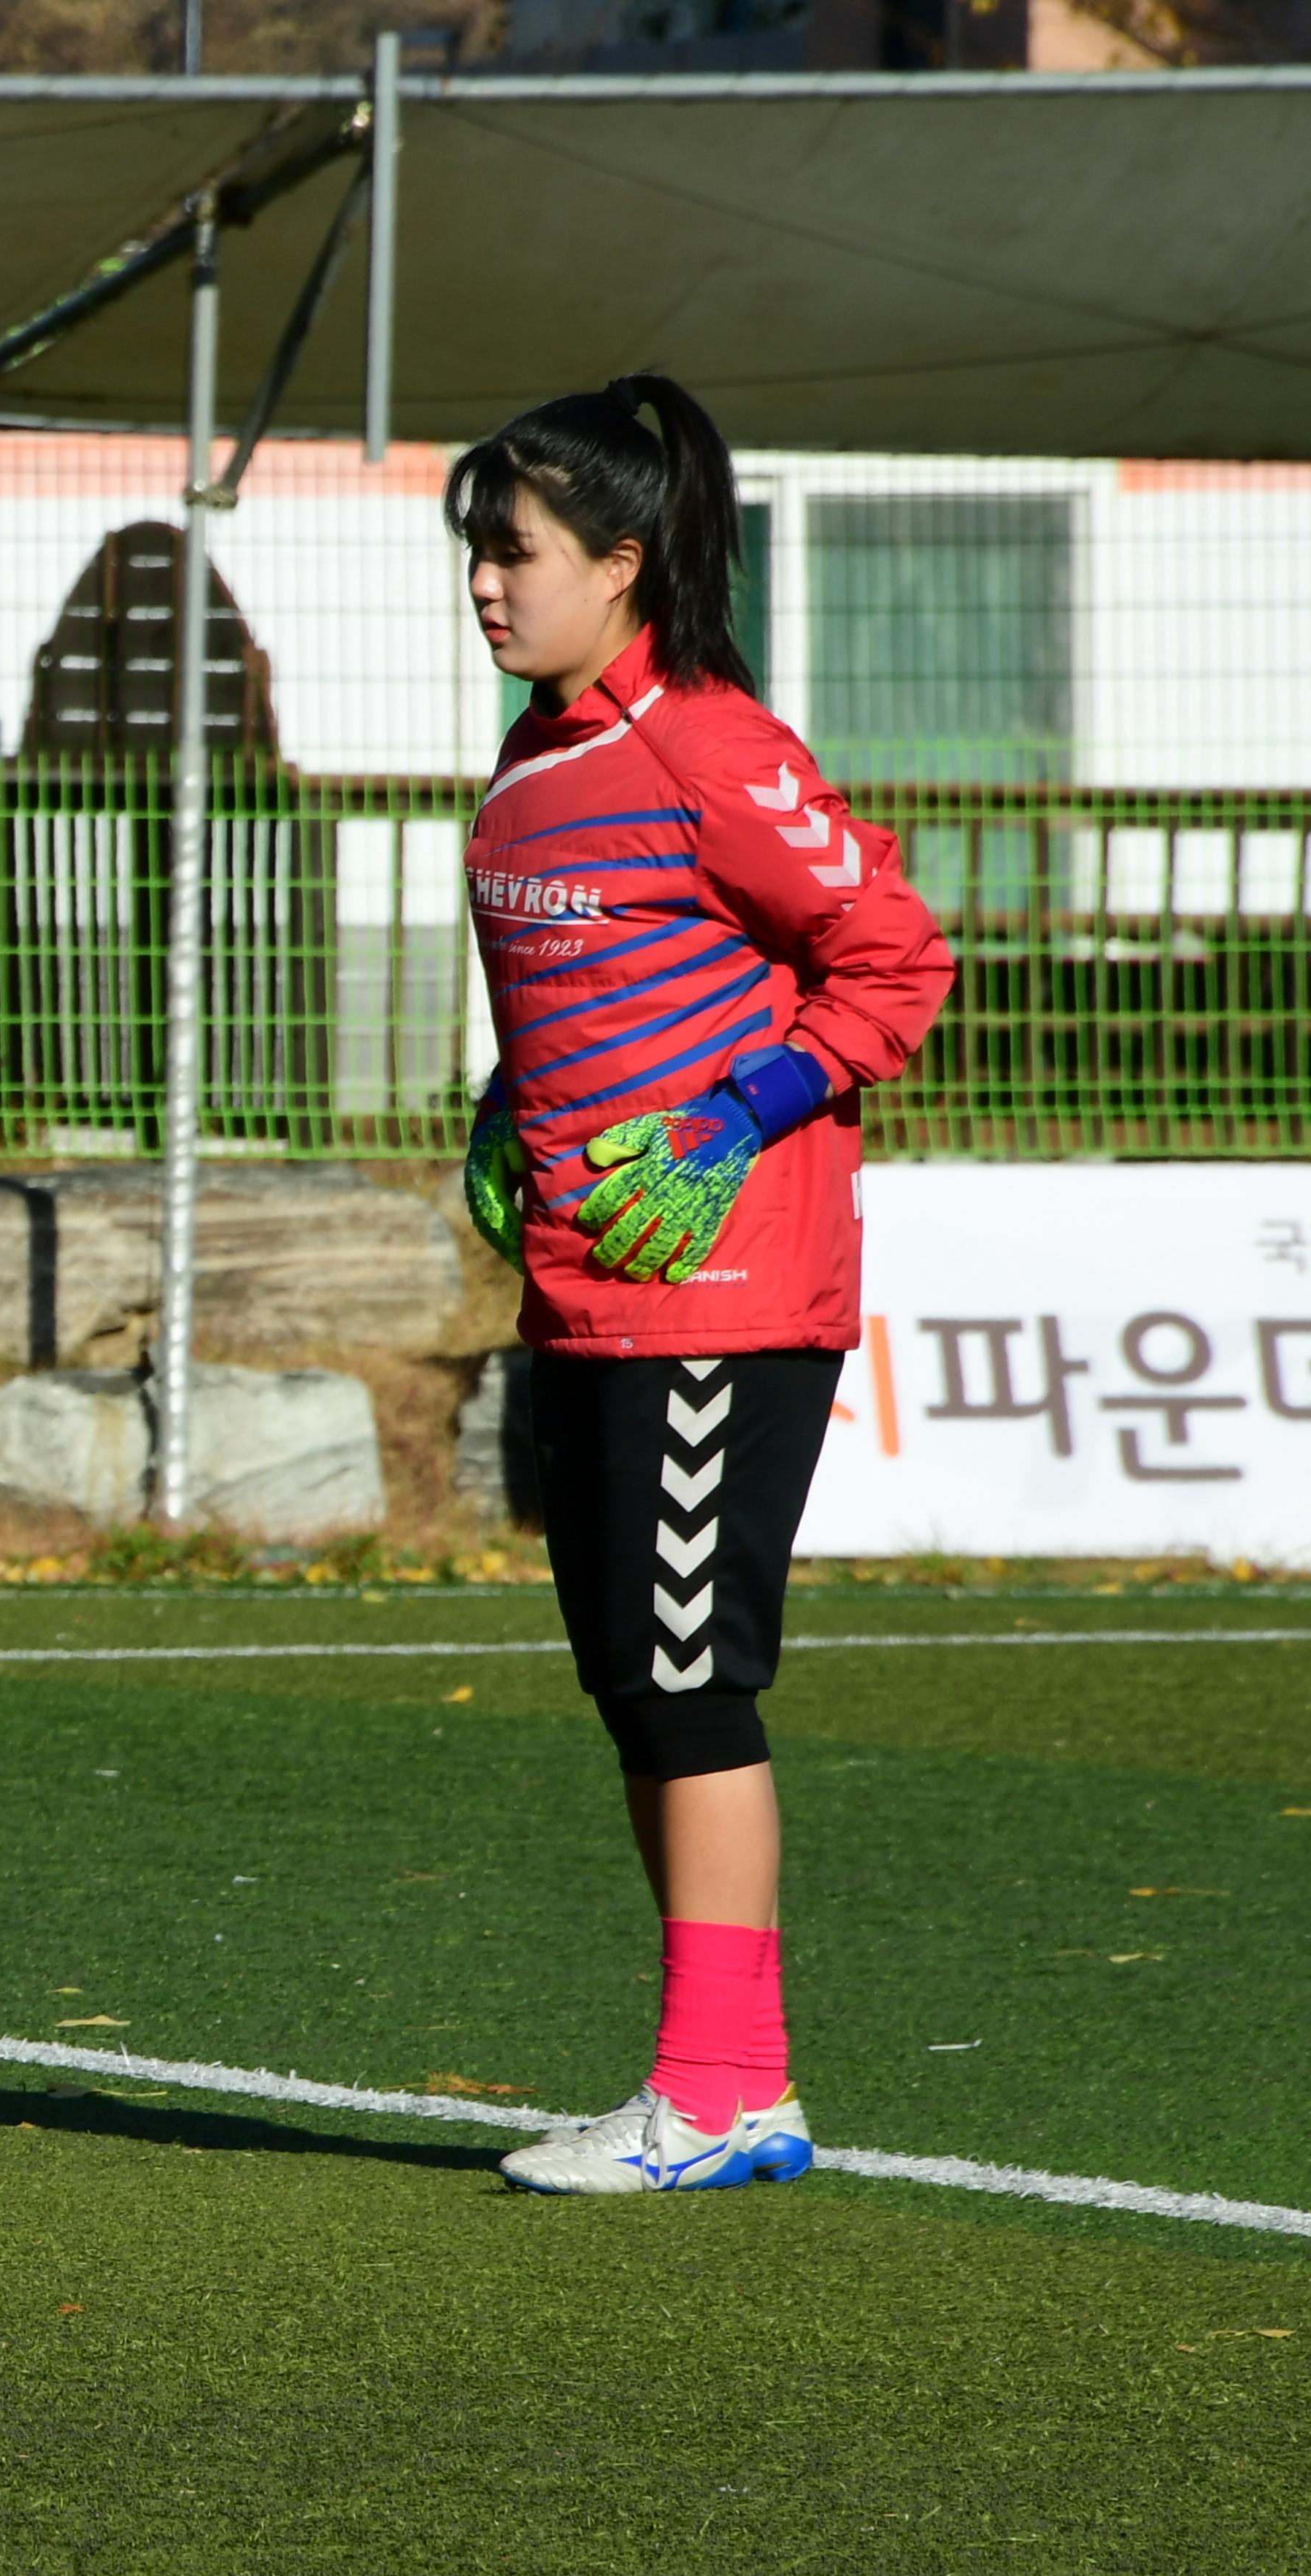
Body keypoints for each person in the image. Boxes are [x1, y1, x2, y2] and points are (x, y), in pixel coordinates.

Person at [444, 375, 955, 2196]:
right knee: (635, 1686)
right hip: (590, 1288)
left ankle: (728, 2090)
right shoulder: (537, 752)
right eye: (477, 552)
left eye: (515, 550)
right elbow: (589, 993)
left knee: (691, 1684)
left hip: (723, 1295)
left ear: (625, 561)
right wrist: (514, 1107)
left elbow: (895, 960)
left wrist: (735, 1118)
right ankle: (719, 2080)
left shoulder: (711, 744)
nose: (486, 585)